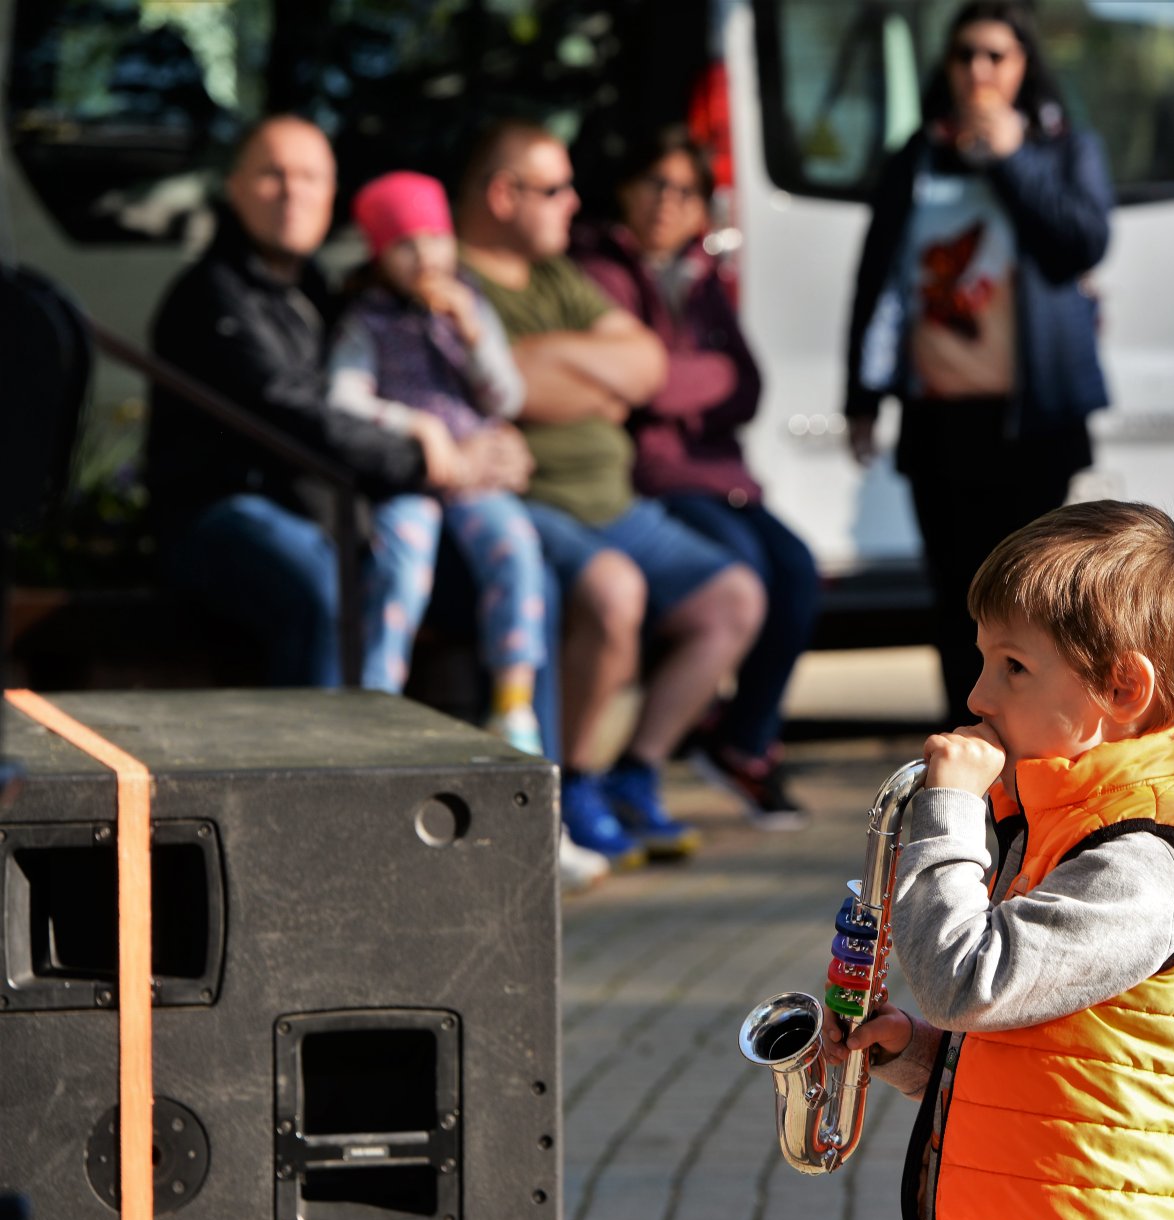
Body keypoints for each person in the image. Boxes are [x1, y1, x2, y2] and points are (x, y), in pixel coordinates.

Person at [827, 500, 1174, 1220]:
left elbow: (968, 985)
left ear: (1122, 690)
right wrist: (914, 1052)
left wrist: (947, 815)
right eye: (982, 660)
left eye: (1013, 667)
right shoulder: (1059, 825)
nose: (980, 696)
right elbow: (1043, 1053)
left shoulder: (1143, 856)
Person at [455, 120, 767, 861]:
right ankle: (566, 792)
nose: (574, 203)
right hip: (531, 504)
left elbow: (646, 366)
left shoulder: (557, 273)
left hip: (615, 502)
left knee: (734, 598)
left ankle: (633, 772)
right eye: (555, 188)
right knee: (614, 594)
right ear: (503, 195)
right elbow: (506, 390)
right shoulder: (457, 283)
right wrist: (589, 379)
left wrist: (553, 364)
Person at [146, 115, 533, 688]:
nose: (292, 192)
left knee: (521, 568)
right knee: (322, 586)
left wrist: (491, 447)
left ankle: (535, 764)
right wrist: (421, 453)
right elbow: (286, 412)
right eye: (272, 175)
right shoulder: (212, 294)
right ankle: (326, 775)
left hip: (331, 507)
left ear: (332, 195)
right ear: (234, 188)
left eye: (310, 177)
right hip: (226, 512)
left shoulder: (327, 291)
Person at [844, 2, 1112, 728]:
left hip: (1031, 425)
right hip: (940, 421)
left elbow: (1081, 244)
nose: (979, 70)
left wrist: (1013, 158)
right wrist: (861, 395)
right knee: (957, 597)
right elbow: (874, 282)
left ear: (1024, 67)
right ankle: (968, 748)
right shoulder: (918, 157)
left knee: (1030, 597)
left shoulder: (1061, 150)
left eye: (997, 55)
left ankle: (1035, 745)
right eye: (965, 54)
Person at [571, 127, 819, 830]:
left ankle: (741, 742)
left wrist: (667, 376)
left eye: (684, 191)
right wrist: (683, 379)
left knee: (797, 571)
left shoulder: (702, 280)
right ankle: (660, 753)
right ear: (625, 189)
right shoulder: (599, 271)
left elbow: (745, 386)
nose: (667, 203)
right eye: (655, 184)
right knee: (744, 576)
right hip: (656, 480)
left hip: (723, 477)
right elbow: (629, 389)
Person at [327, 170, 547, 757]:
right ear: (378, 253)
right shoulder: (365, 319)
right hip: (414, 476)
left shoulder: (470, 306)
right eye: (404, 243)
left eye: (434, 237)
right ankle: (378, 698)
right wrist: (415, 425)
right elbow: (345, 398)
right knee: (402, 559)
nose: (425, 255)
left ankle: (514, 700)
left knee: (516, 548)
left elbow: (507, 398)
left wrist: (473, 336)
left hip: (479, 476)